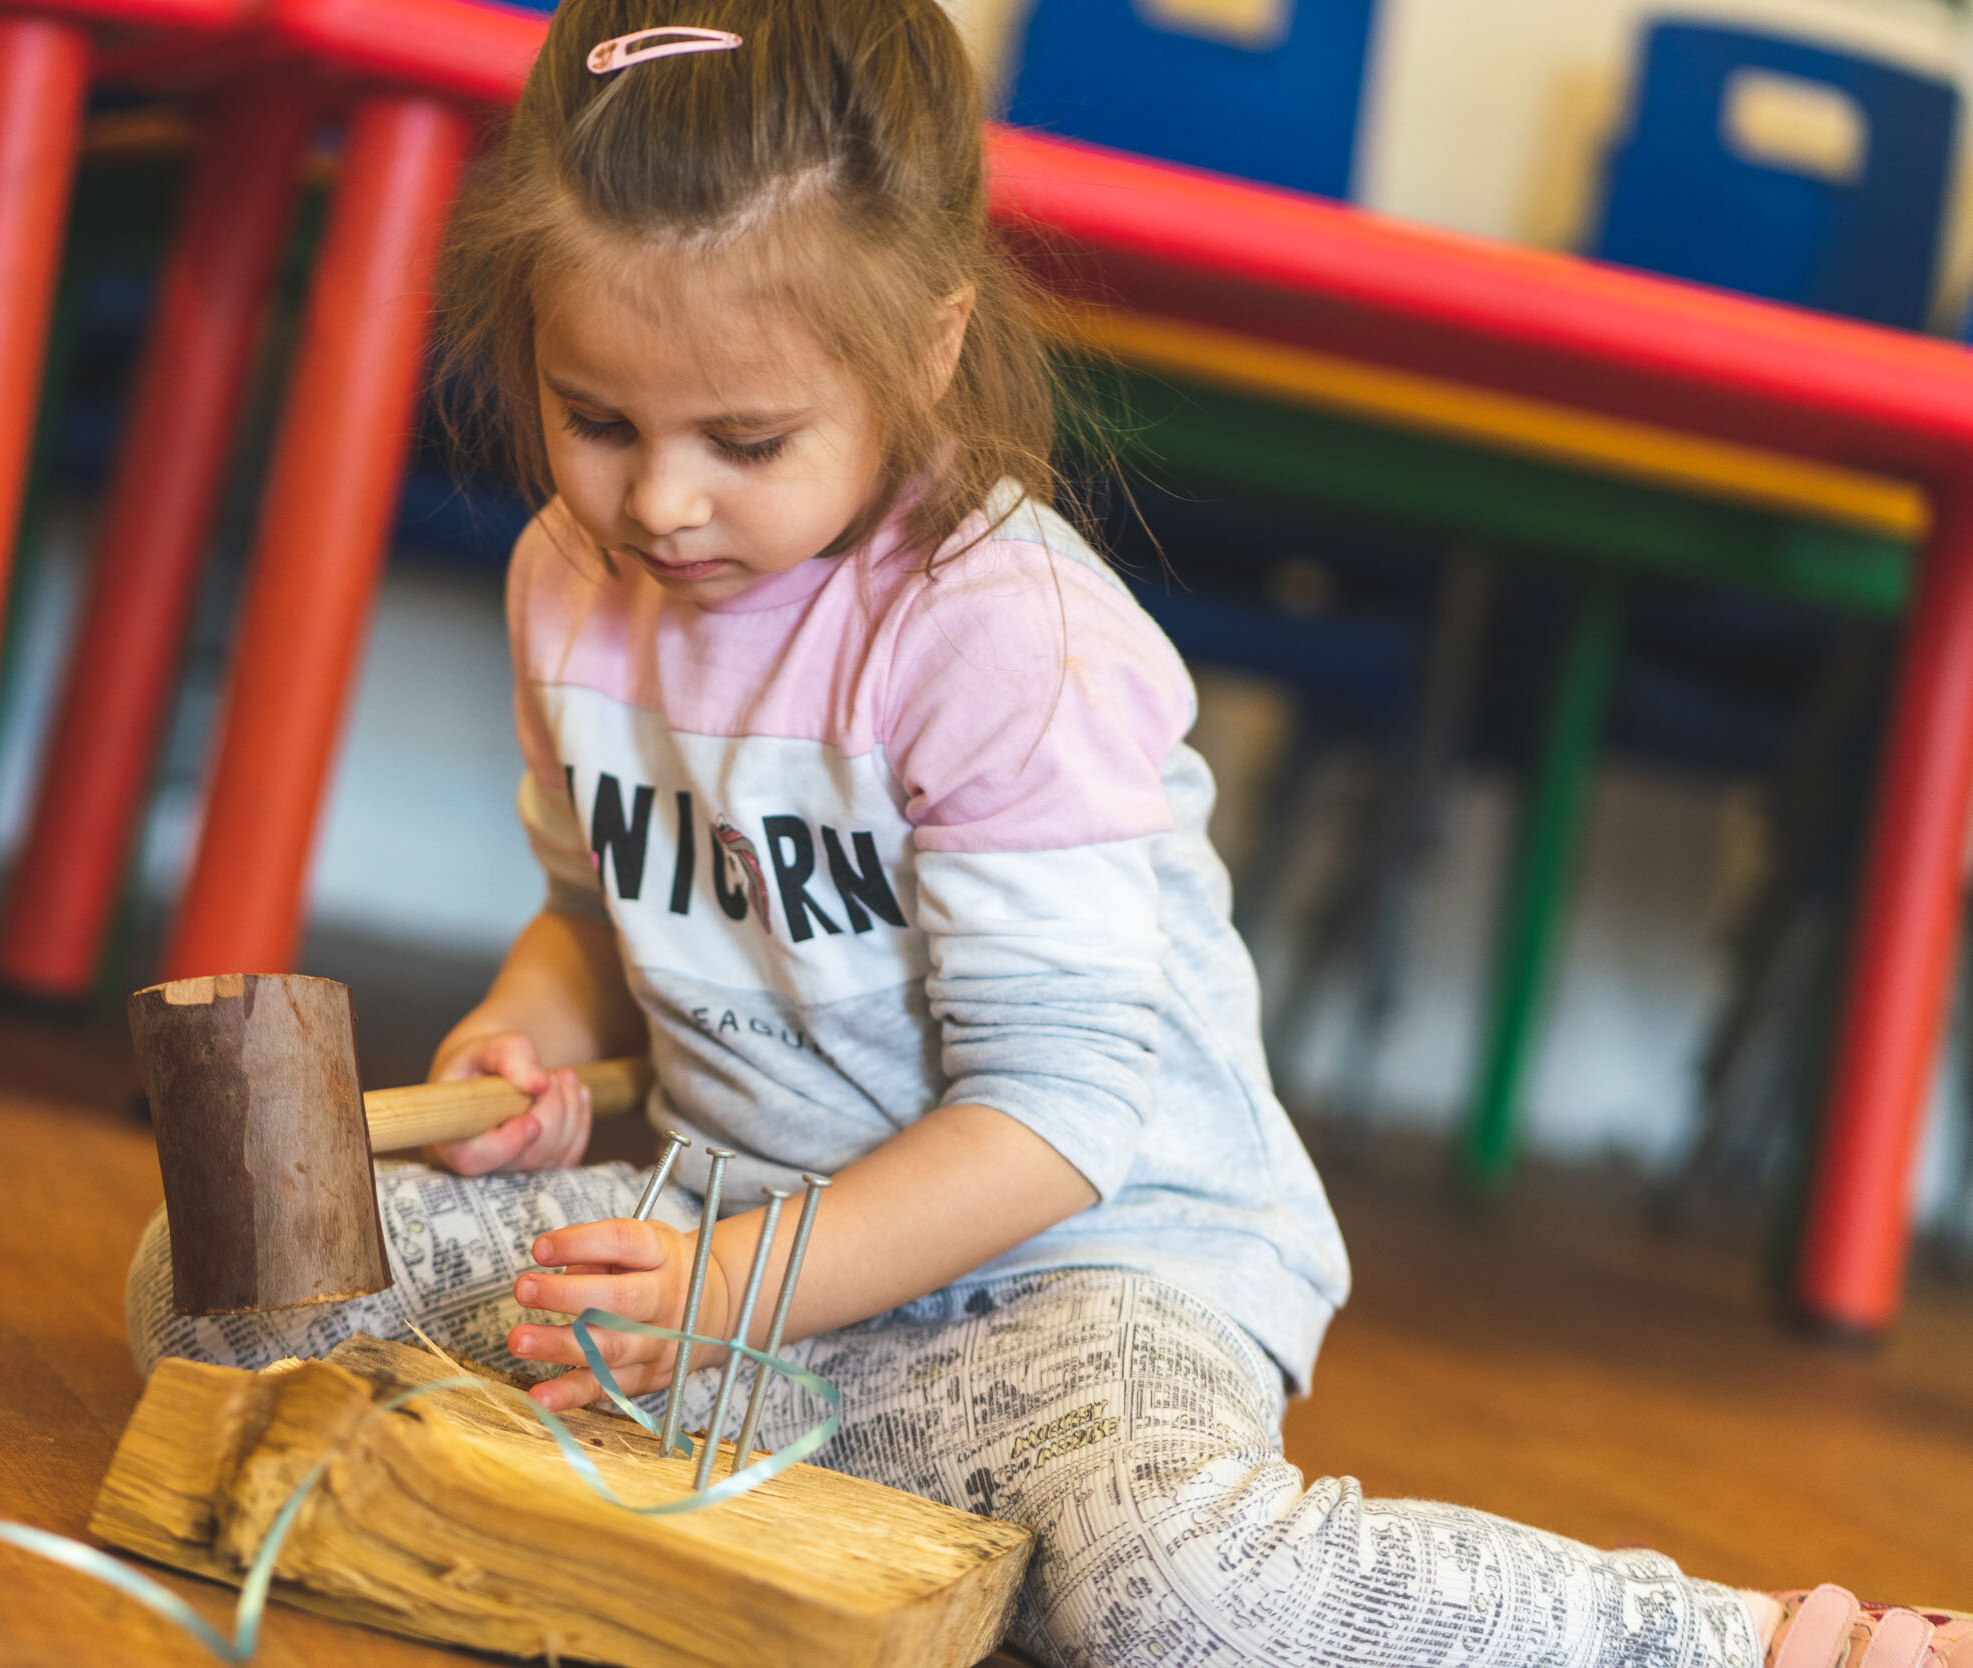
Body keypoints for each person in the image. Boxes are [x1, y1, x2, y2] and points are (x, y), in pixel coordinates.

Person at [126, 5, 1968, 1663]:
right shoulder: (568, 576)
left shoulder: (1007, 635)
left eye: (746, 442)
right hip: (740, 1249)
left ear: (928, 349)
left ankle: (1751, 1647)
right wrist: (522, 1041)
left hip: (1075, 1280)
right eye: (596, 416)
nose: (661, 502)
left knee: (1179, 1593)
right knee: (210, 1282)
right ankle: (900, 1517)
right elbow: (594, 914)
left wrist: (733, 1298)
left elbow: (1061, 1117)